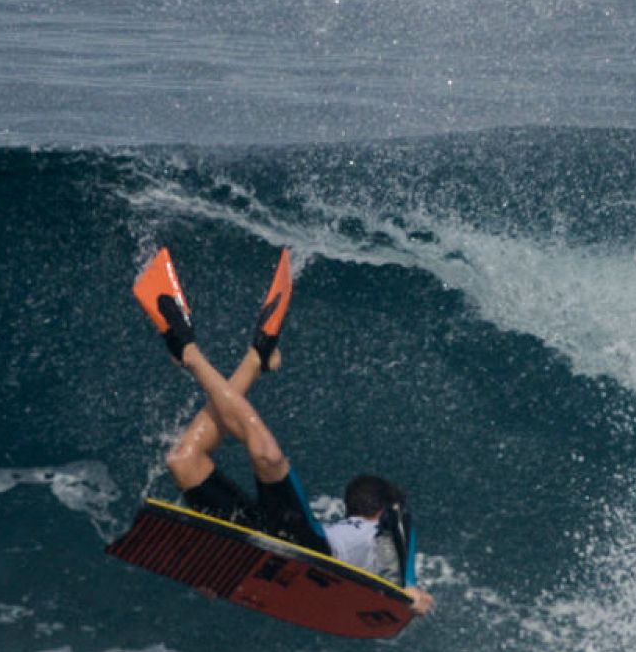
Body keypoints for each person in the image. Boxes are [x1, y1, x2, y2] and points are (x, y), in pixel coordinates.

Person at [133, 248, 435, 616]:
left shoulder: (375, 530)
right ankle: (196, 354)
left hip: (266, 541)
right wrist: (413, 591)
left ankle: (253, 362)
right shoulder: (395, 518)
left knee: (182, 461)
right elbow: (403, 546)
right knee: (268, 457)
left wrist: (221, 570)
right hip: (307, 543)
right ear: (383, 507)